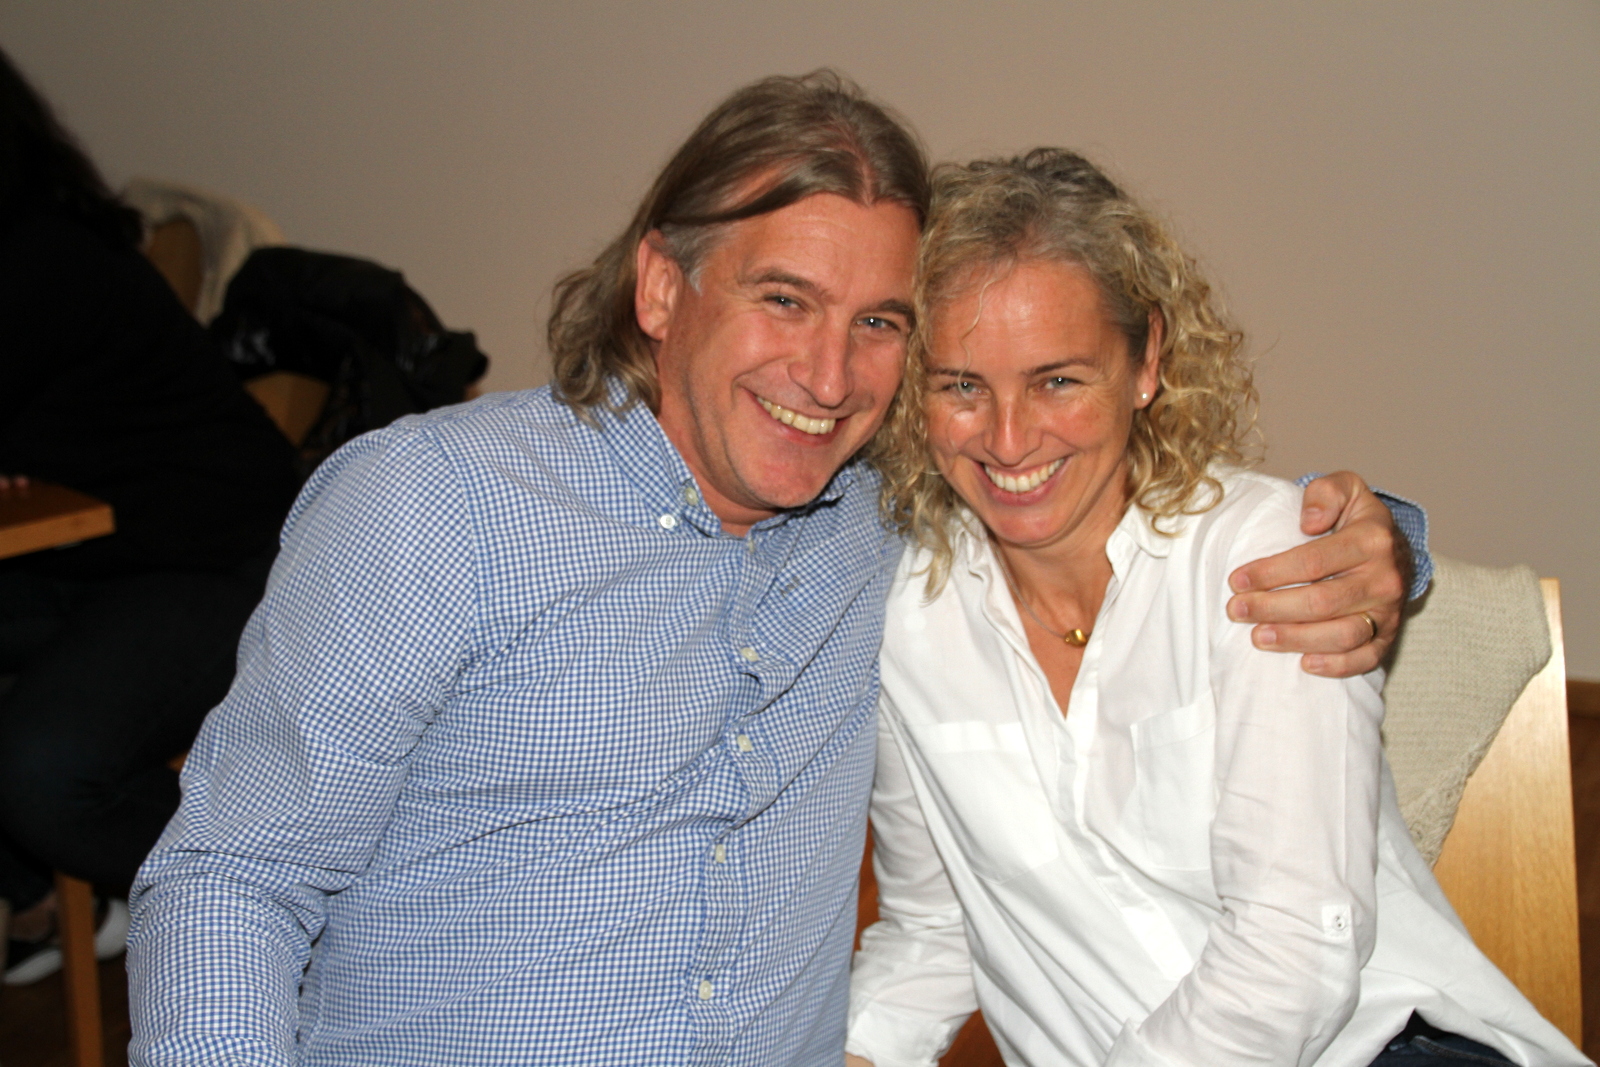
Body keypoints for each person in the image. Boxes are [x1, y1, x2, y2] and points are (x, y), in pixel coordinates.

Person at [130, 74, 1417, 1066]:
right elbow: (235, 875)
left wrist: (1381, 546)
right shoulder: (435, 505)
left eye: (879, 324)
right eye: (784, 300)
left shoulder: (886, 527)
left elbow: (1100, 496)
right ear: (659, 287)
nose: (828, 375)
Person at [845, 150, 1586, 1066]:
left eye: (1058, 380)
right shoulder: (909, 614)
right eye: (961, 384)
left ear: (1146, 359)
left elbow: (1295, 954)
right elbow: (933, 932)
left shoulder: (1263, 555)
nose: (1007, 438)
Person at [0, 49, 301, 983]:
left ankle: (337, 900)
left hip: (220, 555)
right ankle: (44, 899)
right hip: (91, 553)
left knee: (47, 775)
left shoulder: (34, 255)